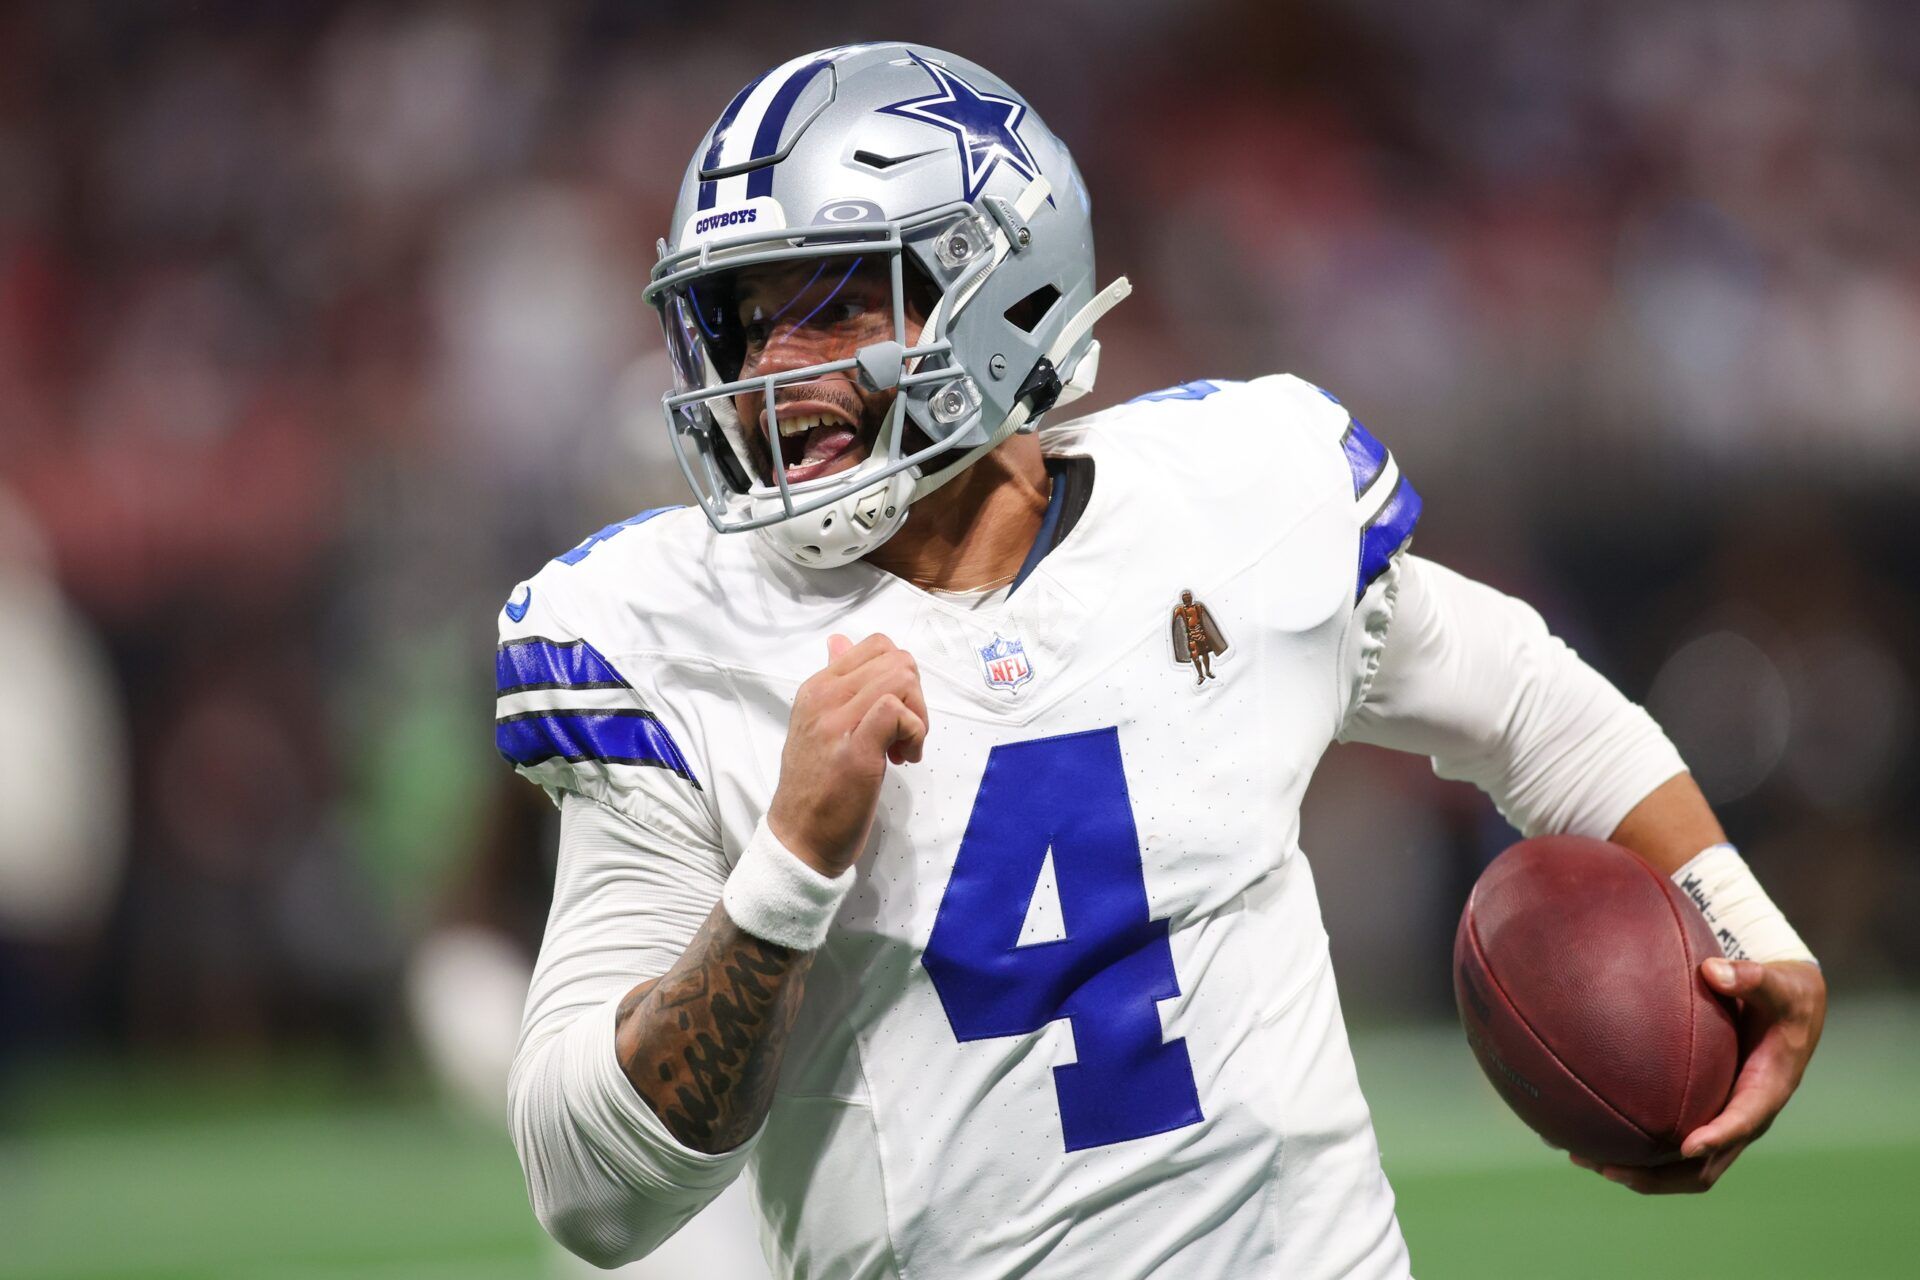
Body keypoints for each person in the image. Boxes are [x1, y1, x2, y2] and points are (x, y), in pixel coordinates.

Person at [497, 43, 1826, 1278]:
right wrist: (787, 877)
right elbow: (591, 1192)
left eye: (831, 305)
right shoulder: (667, 635)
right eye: (742, 322)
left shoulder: (1228, 499)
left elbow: (1528, 704)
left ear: (998, 283)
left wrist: (1745, 931)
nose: (772, 376)